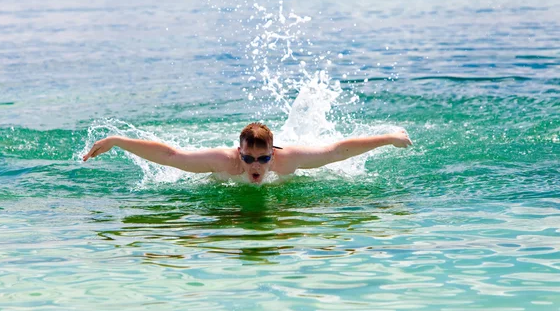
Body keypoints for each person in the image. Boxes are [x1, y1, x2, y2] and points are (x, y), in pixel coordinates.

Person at [83, 122, 412, 184]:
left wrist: (390, 138)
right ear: (238, 153)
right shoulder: (222, 162)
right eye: (249, 158)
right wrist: (118, 141)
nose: (256, 166)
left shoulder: (288, 159)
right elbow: (172, 157)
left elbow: (337, 151)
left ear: (273, 153)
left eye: (263, 158)